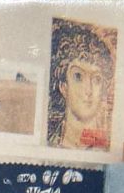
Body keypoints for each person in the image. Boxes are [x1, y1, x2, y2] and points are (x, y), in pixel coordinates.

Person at [46, 19, 115, 151]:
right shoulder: (52, 141)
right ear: (63, 87)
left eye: (96, 79)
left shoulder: (102, 149)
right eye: (78, 76)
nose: (88, 90)